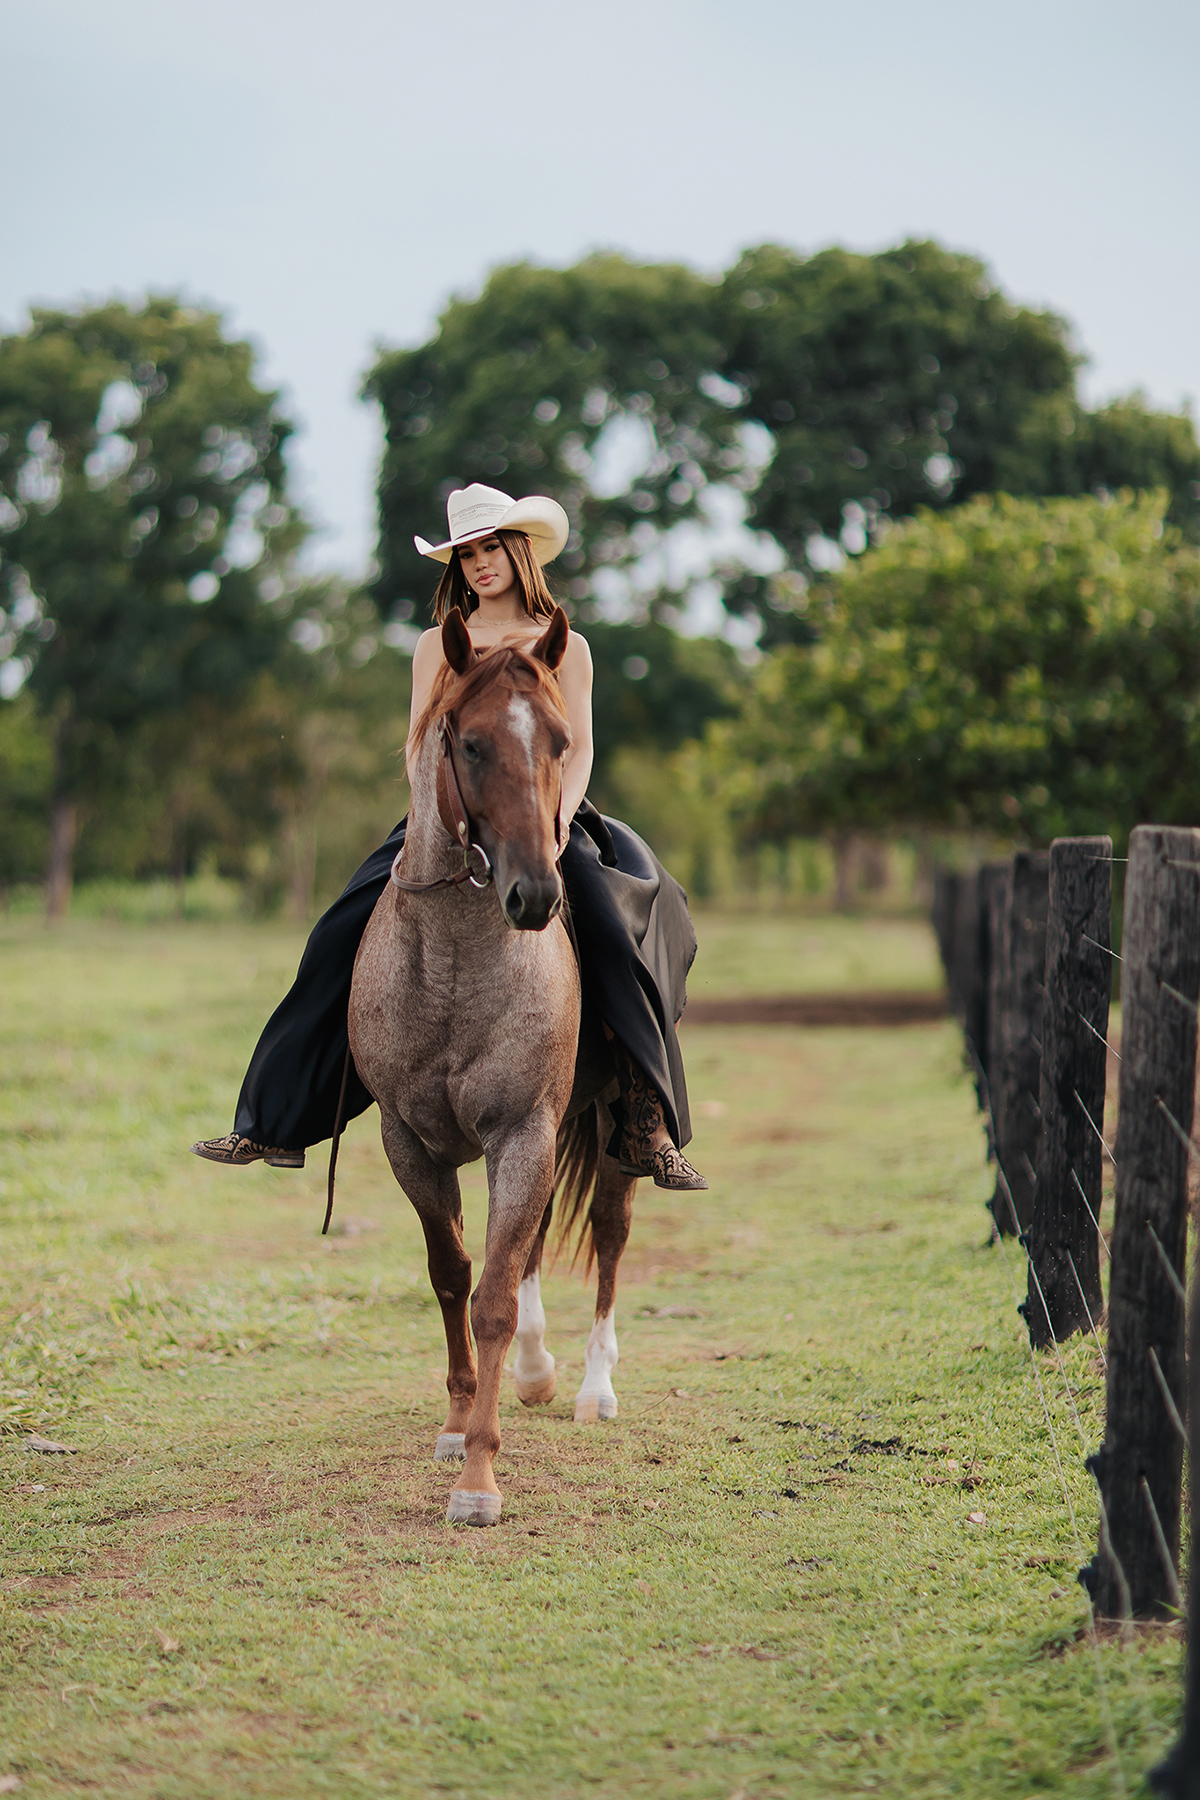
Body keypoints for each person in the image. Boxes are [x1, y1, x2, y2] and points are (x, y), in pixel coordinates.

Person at [191, 483, 707, 1190]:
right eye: (466, 554)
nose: (479, 564)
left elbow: (579, 747)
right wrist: (438, 819)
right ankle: (272, 1120)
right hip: (449, 812)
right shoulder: (440, 646)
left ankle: (645, 1121)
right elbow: (416, 745)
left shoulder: (566, 644)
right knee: (336, 935)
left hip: (544, 815)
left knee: (619, 936)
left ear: (519, 552)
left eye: (491, 547)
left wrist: (558, 824)